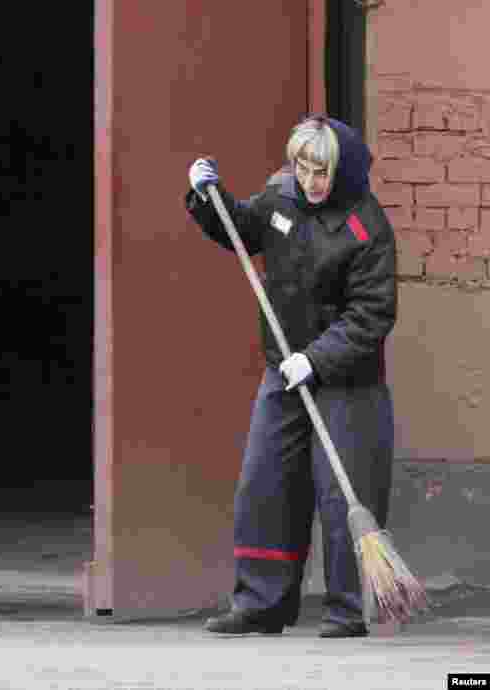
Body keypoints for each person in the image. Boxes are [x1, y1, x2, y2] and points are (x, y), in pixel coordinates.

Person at [185, 115, 397, 638]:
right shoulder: (281, 197)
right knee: (266, 481)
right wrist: (206, 198)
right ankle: (262, 604)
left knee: (339, 492)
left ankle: (348, 610)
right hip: (282, 370)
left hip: (347, 380)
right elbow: (240, 229)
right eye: (301, 167)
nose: (309, 181)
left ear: (341, 169)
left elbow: (371, 314)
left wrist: (318, 358)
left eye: (320, 171)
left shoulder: (366, 227)